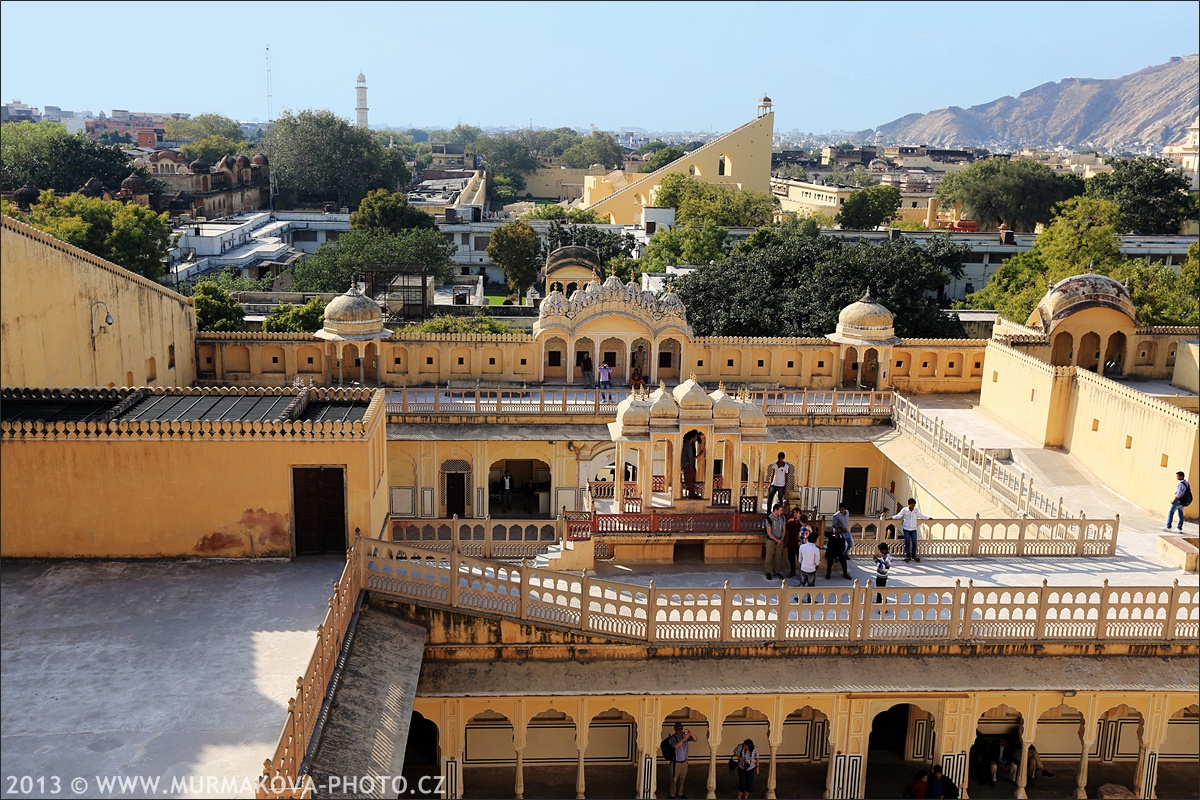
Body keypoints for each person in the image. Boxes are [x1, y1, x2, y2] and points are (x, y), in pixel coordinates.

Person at [891, 498, 931, 562]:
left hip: (913, 529)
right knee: (907, 542)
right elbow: (899, 516)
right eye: (912, 504)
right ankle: (908, 556)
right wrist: (891, 517)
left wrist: (927, 518)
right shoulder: (904, 510)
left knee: (914, 543)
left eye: (914, 505)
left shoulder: (916, 510)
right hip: (906, 528)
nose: (913, 506)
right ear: (909, 504)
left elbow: (920, 516)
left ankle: (914, 555)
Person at [666, 721, 695, 799]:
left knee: (682, 778)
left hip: (684, 762)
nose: (680, 731)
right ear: (675, 730)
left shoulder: (685, 736)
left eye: (681, 729)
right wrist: (683, 739)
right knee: (673, 779)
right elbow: (675, 746)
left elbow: (696, 740)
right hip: (676, 763)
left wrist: (690, 734)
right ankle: (672, 794)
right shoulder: (673, 738)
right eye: (678, 729)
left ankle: (680, 793)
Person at [764, 503, 787, 580]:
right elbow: (769, 533)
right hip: (771, 541)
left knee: (778, 557)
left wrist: (781, 539)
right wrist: (777, 540)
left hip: (780, 540)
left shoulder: (782, 518)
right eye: (780, 510)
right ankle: (768, 571)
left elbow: (784, 529)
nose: (781, 511)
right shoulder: (769, 519)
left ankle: (777, 571)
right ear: (775, 510)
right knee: (769, 557)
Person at [784, 508, 804, 577]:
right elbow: (787, 531)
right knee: (791, 558)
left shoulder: (802, 522)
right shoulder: (790, 521)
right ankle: (792, 571)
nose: (795, 514)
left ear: (800, 513)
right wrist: (785, 542)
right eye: (794, 512)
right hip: (791, 543)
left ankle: (802, 572)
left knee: (801, 559)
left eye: (797, 512)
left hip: (800, 545)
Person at [681, 432, 698, 498]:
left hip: (688, 465)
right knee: (690, 480)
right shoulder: (688, 445)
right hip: (687, 465)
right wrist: (700, 455)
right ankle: (692, 494)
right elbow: (691, 459)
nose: (696, 438)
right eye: (695, 437)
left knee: (692, 479)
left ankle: (692, 493)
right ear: (692, 437)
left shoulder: (689, 444)